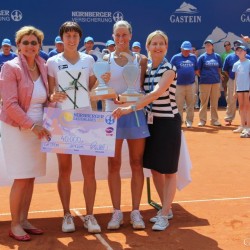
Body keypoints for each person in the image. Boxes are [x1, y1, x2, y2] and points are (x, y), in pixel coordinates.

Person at [112, 30, 181, 231]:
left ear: (166, 47)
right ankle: (165, 209)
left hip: (168, 123)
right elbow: (138, 91)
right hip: (150, 123)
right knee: (154, 169)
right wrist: (121, 99)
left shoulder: (169, 69)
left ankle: (165, 213)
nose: (158, 47)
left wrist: (129, 109)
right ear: (148, 47)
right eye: (154, 44)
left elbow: (155, 93)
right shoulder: (148, 68)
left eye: (161, 44)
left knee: (168, 170)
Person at [47, 21, 110, 234]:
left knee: (88, 171)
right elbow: (49, 92)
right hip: (61, 119)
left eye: (75, 36)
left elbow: (94, 85)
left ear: (79, 38)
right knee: (64, 170)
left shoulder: (89, 60)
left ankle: (90, 215)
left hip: (86, 119)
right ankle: (67, 214)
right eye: (68, 36)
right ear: (62, 39)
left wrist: (102, 82)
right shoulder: (52, 62)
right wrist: (52, 96)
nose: (71, 39)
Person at [0, 26, 51, 241]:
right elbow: (10, 104)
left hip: (39, 128)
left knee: (30, 178)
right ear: (18, 45)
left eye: (34, 42)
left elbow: (45, 96)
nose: (30, 46)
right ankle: (14, 225)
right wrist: (32, 125)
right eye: (26, 42)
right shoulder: (10, 68)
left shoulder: (43, 65)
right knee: (21, 178)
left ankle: (24, 219)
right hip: (17, 127)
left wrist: (53, 101)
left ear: (39, 46)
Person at [105, 20, 149, 230]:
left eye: (124, 35)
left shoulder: (141, 60)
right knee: (113, 165)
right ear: (113, 36)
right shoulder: (105, 59)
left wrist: (127, 100)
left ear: (130, 36)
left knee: (136, 163)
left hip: (135, 115)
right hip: (112, 117)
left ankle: (136, 212)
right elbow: (98, 89)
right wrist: (112, 95)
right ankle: (116, 212)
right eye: (117, 35)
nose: (121, 39)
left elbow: (143, 91)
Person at [170, 41, 198, 128]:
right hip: (178, 85)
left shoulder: (193, 57)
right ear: (181, 49)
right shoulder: (175, 58)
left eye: (188, 50)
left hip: (191, 84)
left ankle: (189, 121)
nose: (186, 51)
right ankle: (179, 122)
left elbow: (196, 69)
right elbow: (171, 70)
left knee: (190, 104)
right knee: (179, 104)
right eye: (185, 49)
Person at [223, 40, 250, 127]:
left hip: (246, 83)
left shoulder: (248, 58)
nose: (238, 51)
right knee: (231, 100)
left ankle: (246, 122)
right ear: (234, 48)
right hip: (233, 81)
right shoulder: (230, 58)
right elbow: (225, 70)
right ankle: (229, 118)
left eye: (240, 48)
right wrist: (231, 77)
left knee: (246, 104)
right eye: (236, 47)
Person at [197, 39, 223, 127]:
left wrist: (218, 75)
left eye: (209, 44)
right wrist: (204, 76)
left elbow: (219, 67)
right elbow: (197, 70)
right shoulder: (202, 57)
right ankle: (202, 120)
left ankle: (214, 120)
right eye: (206, 45)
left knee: (214, 102)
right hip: (204, 82)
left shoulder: (217, 56)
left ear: (212, 46)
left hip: (215, 82)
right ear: (205, 47)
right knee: (204, 102)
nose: (208, 46)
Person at [232, 45, 250, 137]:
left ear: (245, 52)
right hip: (239, 89)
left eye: (241, 50)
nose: (239, 52)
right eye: (238, 51)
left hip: (247, 88)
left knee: (247, 107)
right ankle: (242, 125)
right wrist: (235, 90)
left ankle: (248, 126)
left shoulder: (249, 62)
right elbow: (235, 78)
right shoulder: (236, 64)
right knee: (241, 107)